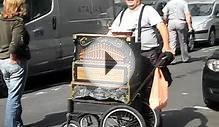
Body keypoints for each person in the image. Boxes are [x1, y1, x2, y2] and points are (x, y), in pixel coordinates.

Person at [108, 0, 173, 126]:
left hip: (147, 55)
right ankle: (137, 119)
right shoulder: (122, 14)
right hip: (128, 57)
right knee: (132, 90)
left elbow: (161, 26)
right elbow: (111, 33)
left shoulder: (147, 10)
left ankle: (153, 121)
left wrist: (166, 45)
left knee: (149, 91)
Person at [0, 0, 30, 127]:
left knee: (13, 95)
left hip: (2, 61)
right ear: (18, 5)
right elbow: (16, 43)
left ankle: (17, 123)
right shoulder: (17, 22)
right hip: (15, 63)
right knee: (14, 97)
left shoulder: (1, 20)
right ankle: (11, 125)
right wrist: (13, 56)